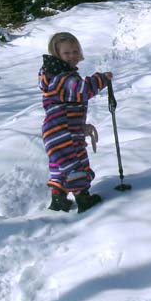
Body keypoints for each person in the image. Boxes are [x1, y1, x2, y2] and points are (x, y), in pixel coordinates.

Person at [38, 31, 113, 213]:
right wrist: (101, 79)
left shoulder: (53, 74)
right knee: (75, 163)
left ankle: (59, 199)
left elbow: (66, 107)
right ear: (57, 54)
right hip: (63, 131)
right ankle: (83, 198)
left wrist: (80, 126)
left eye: (74, 51)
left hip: (55, 130)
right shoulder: (63, 78)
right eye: (66, 53)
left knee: (59, 164)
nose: (72, 56)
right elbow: (82, 90)